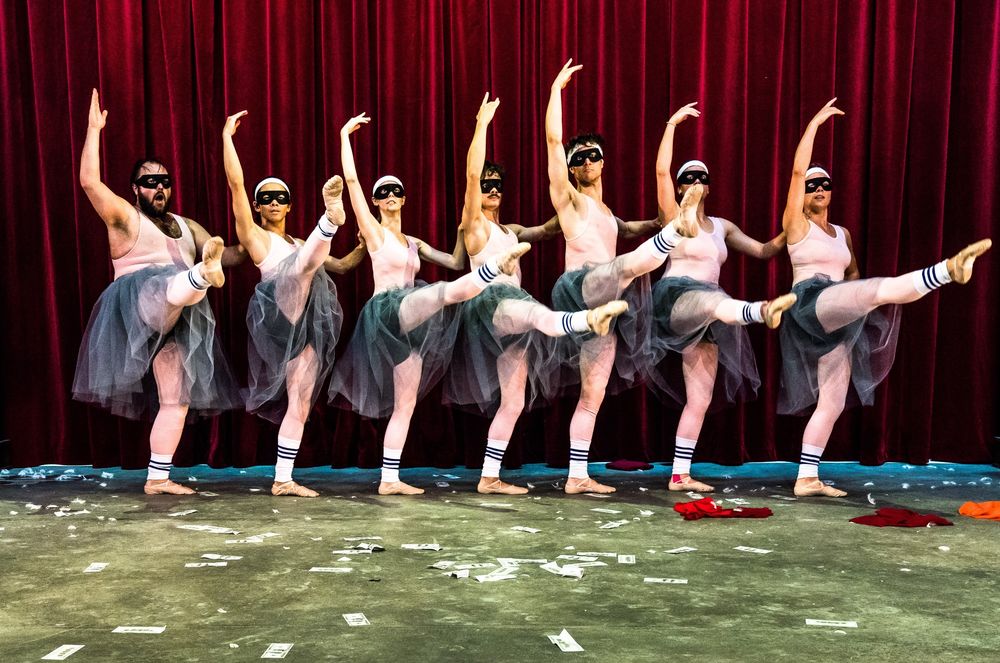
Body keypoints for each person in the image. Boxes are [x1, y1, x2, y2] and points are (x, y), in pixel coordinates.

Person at [779, 98, 991, 497]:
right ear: (803, 194)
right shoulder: (795, 224)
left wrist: (856, 301)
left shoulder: (843, 234)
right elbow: (794, 171)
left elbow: (853, 274)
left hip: (838, 310)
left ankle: (806, 477)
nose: (820, 188)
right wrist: (814, 126)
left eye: (825, 183)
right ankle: (947, 269)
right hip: (809, 303)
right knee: (877, 289)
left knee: (834, 400)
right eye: (812, 185)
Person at [329, 112, 530, 495]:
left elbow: (454, 264)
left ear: (404, 198)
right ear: (375, 201)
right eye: (383, 193)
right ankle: (493, 272)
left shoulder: (413, 243)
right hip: (387, 311)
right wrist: (343, 138)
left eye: (396, 192)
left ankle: (389, 479)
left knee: (406, 404)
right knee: (441, 293)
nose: (390, 197)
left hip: (412, 320)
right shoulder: (373, 233)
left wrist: (461, 234)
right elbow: (352, 183)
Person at [446, 94, 628, 495]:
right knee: (539, 316)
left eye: (498, 186)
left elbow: (549, 229)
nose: (491, 190)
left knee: (513, 401)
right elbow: (473, 177)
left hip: (514, 313)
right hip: (492, 305)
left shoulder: (510, 230)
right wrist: (481, 126)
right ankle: (580, 320)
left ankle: (491, 477)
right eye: (487, 186)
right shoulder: (473, 225)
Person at [73, 90, 244, 495]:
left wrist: (266, 241)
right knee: (170, 282)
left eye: (164, 181)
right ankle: (201, 276)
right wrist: (94, 131)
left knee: (176, 399)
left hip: (180, 316)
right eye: (150, 182)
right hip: (137, 305)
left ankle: (158, 478)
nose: (159, 188)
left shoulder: (186, 225)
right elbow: (88, 181)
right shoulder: (124, 217)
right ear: (135, 188)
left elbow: (237, 253)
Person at [544, 60, 699, 494]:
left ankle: (577, 476)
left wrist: (652, 222)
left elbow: (625, 230)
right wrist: (556, 90)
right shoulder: (570, 199)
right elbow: (554, 141)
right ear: (574, 169)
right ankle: (676, 232)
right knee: (626, 267)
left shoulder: (607, 213)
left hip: (605, 305)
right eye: (583, 157)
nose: (591, 160)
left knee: (592, 394)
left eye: (597, 154)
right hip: (581, 288)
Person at [650, 102, 795, 492]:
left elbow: (765, 250)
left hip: (712, 312)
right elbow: (661, 170)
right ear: (681, 187)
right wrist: (671, 125)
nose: (696, 182)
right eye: (689, 178)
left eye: (702, 177)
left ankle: (680, 473)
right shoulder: (672, 216)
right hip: (677, 299)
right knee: (717, 301)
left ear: (709, 186)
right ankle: (760, 311)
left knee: (700, 396)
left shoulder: (722, 227)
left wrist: (792, 222)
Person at [222, 111, 367, 497]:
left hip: (306, 324)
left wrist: (364, 246)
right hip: (276, 308)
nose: (273, 203)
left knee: (300, 403)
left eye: (280, 198)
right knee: (300, 268)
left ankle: (283, 479)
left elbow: (342, 266)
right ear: (257, 207)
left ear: (288, 206)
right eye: (265, 198)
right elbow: (236, 186)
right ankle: (330, 219)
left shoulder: (300, 243)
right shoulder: (254, 236)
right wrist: (227, 139)